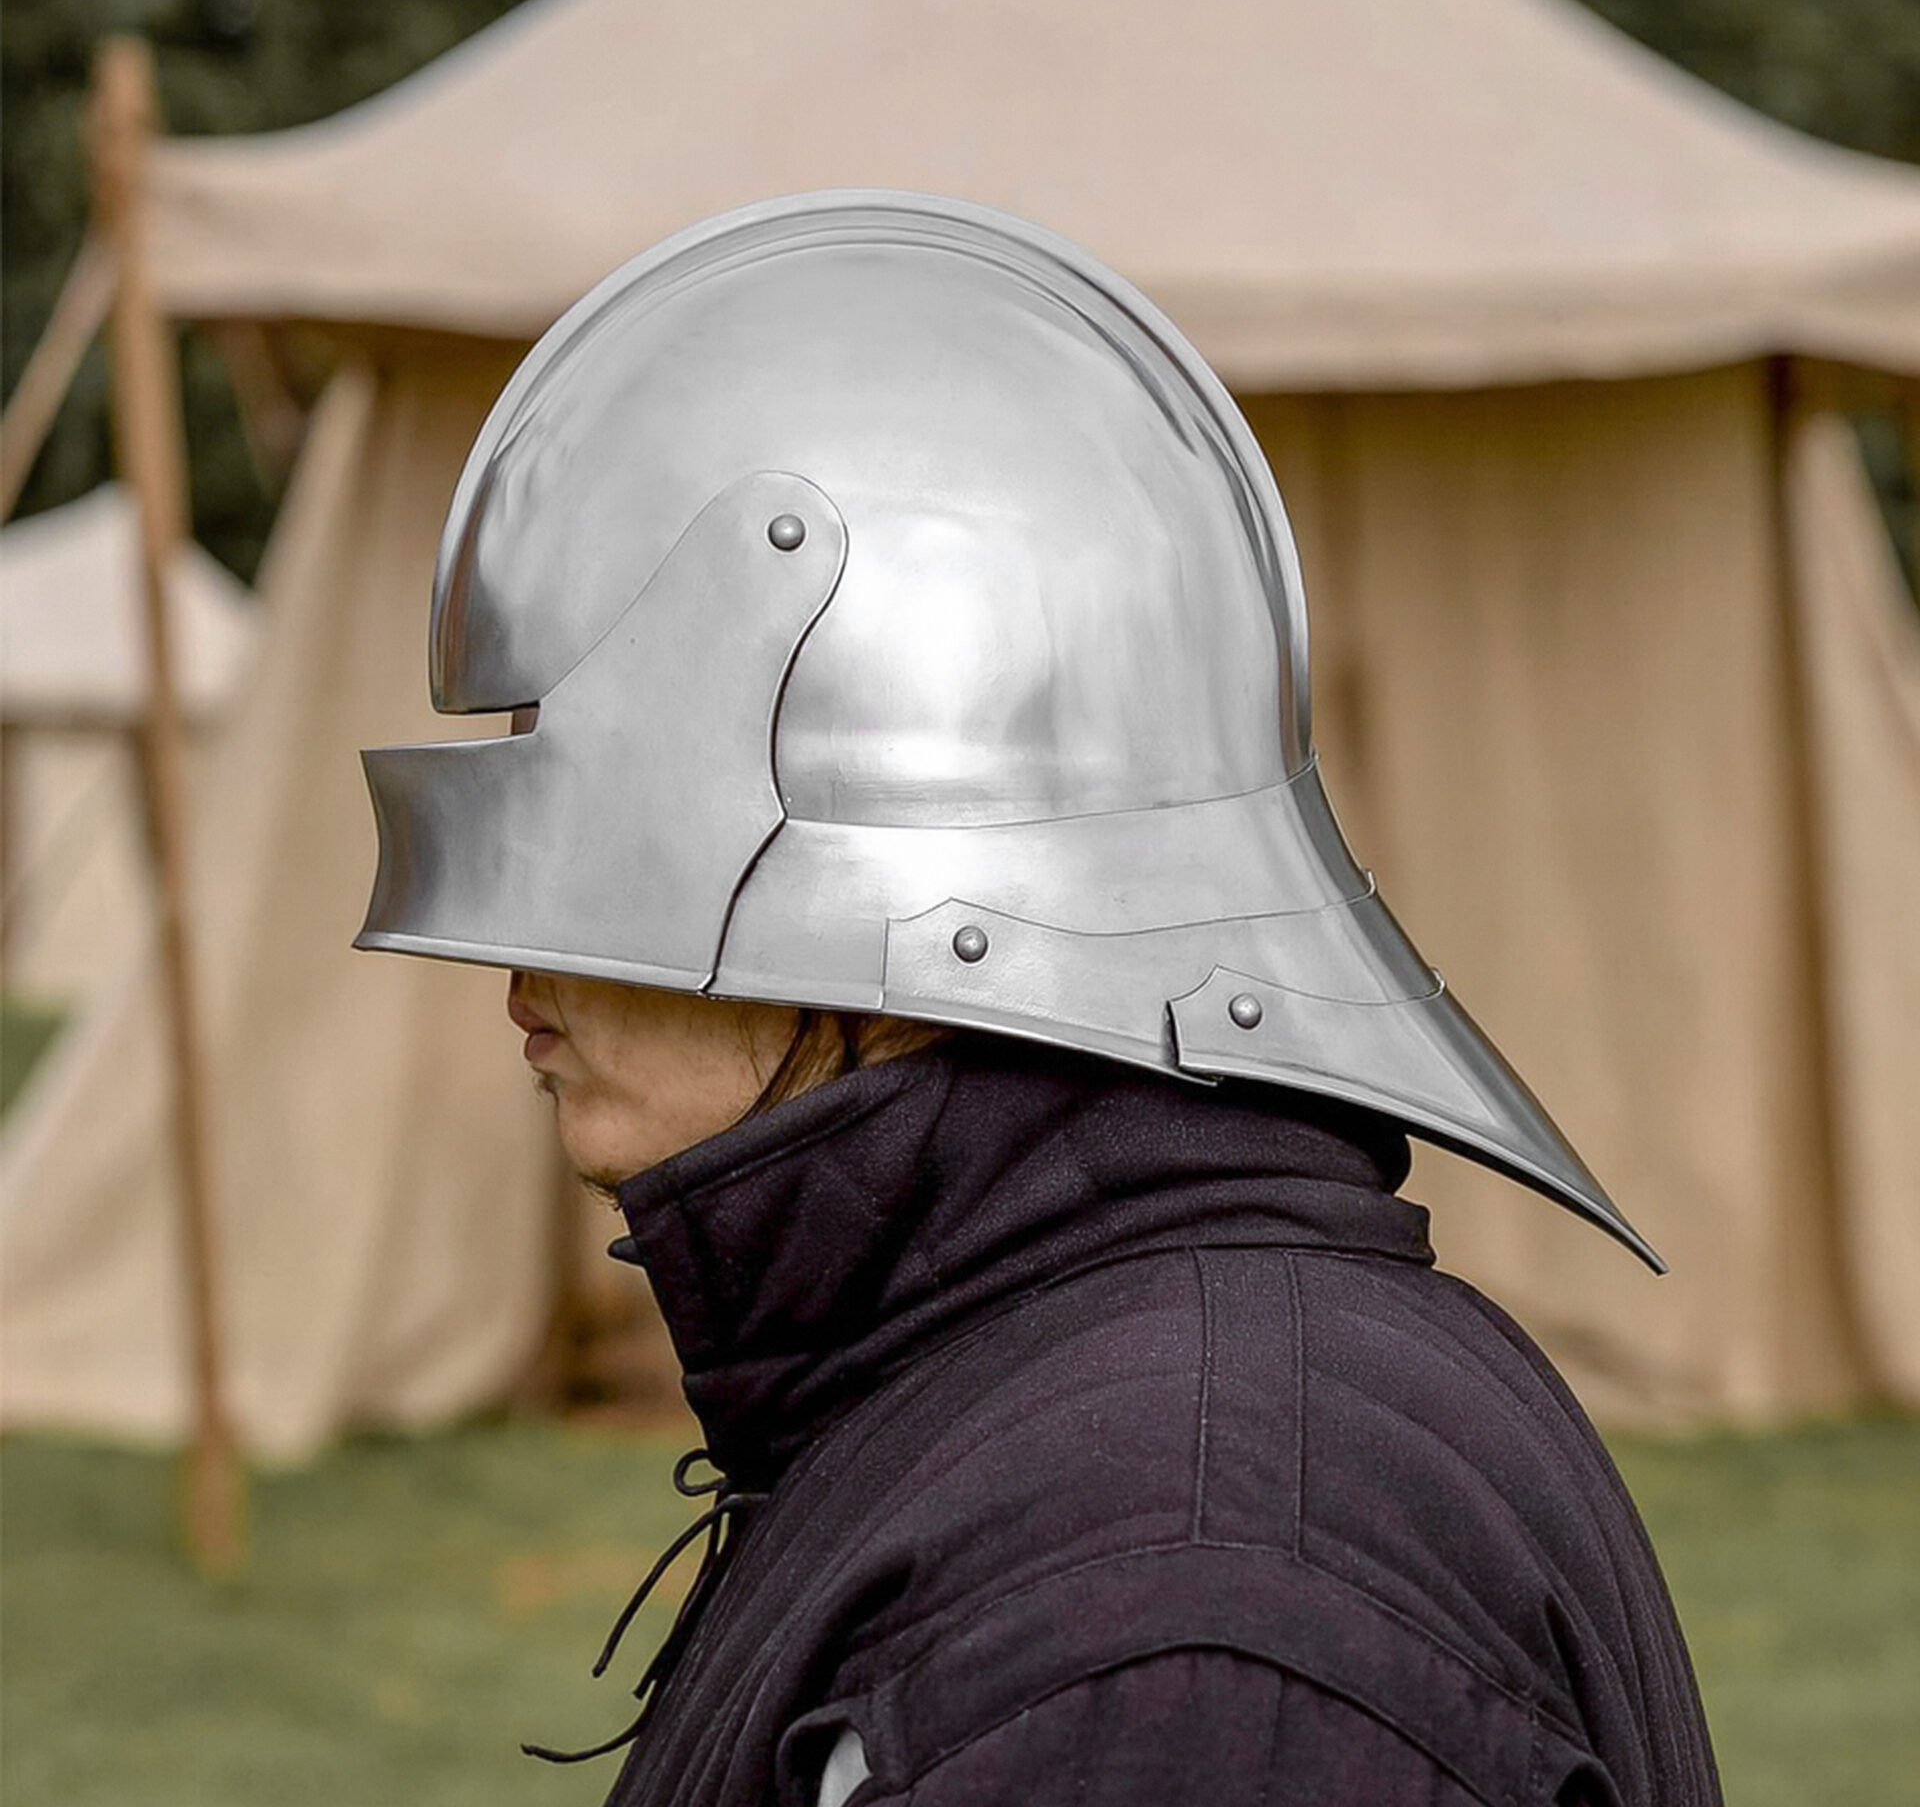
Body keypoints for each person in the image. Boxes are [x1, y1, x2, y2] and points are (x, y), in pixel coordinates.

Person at [356, 193, 1721, 1806]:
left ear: (902, 871)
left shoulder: (1185, 1615)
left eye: (590, 822)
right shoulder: (1061, 1401)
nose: (520, 975)